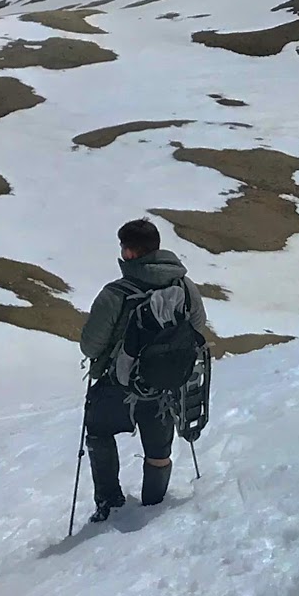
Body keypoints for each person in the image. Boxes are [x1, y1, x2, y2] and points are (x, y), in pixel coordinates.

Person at [80, 218, 212, 522]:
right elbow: (197, 325)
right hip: (166, 382)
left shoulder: (116, 293)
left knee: (99, 431)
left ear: (129, 253)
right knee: (158, 447)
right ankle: (154, 504)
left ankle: (109, 502)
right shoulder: (183, 284)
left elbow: (90, 345)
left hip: (120, 381)